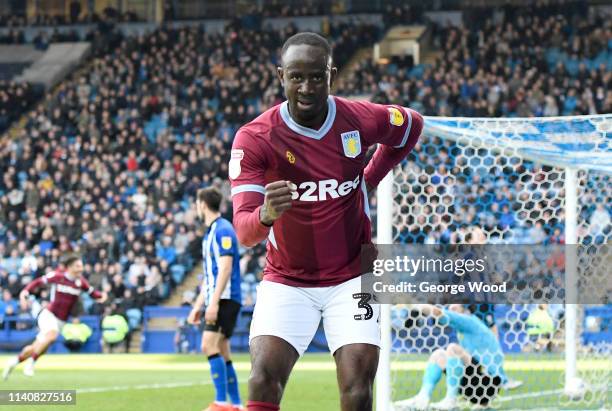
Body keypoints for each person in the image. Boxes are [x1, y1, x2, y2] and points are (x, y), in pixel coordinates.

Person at [229, 32, 423, 411]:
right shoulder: (255, 138)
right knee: (262, 379)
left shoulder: (359, 118)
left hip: (356, 272)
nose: (307, 86)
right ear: (280, 75)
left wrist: (369, 178)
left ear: (331, 74)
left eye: (317, 76)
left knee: (357, 388)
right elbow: (244, 233)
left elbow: (411, 125)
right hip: (287, 278)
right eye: (297, 76)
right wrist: (265, 214)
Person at [3, 255, 107, 379]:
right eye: (78, 266)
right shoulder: (58, 276)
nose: (81, 269)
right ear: (69, 267)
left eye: (81, 266)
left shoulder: (80, 282)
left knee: (36, 347)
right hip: (48, 314)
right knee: (52, 336)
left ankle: (14, 362)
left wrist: (102, 296)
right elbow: (38, 282)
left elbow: (93, 294)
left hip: (61, 321)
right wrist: (25, 292)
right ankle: (31, 364)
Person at [187, 187, 244, 411]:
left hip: (226, 298)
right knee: (222, 349)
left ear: (202, 204)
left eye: (196, 203)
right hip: (218, 297)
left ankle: (221, 402)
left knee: (207, 345)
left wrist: (213, 302)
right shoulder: (211, 232)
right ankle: (237, 405)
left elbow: (225, 268)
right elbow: (210, 277)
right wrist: (197, 305)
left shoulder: (222, 230)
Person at [395, 304, 508, 410]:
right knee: (438, 354)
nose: (451, 311)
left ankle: (451, 400)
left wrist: (414, 307)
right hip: (474, 387)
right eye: (450, 308)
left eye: (454, 309)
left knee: (453, 348)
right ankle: (422, 398)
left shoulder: (468, 320)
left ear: (464, 309)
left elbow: (437, 312)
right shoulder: (467, 327)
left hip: (488, 383)